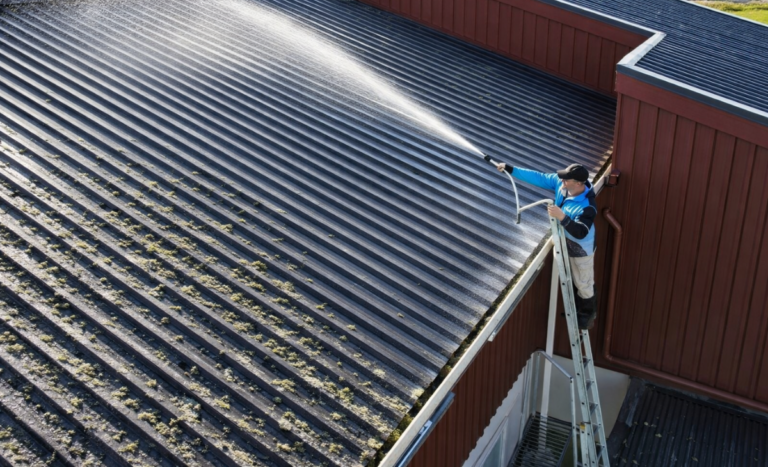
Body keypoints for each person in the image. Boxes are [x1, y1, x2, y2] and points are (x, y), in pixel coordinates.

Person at [496, 161, 598, 329]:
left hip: (581, 247)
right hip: (562, 238)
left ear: (579, 184)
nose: (562, 180)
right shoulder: (562, 184)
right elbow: (539, 177)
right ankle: (576, 310)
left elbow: (581, 232)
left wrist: (562, 217)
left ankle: (587, 316)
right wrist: (510, 169)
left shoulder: (587, 206)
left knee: (583, 282)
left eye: (567, 179)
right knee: (572, 277)